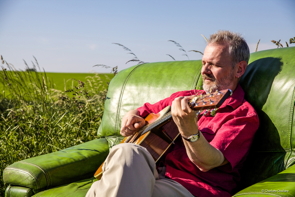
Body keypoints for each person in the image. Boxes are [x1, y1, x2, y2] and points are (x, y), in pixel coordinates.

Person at [86, 30, 259, 197]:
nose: (204, 71)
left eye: (213, 65)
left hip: (192, 187)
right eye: (203, 63)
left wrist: (190, 131)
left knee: (113, 175)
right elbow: (143, 110)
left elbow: (208, 162)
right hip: (154, 174)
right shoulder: (185, 98)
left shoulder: (241, 115)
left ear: (239, 69)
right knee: (123, 153)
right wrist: (131, 116)